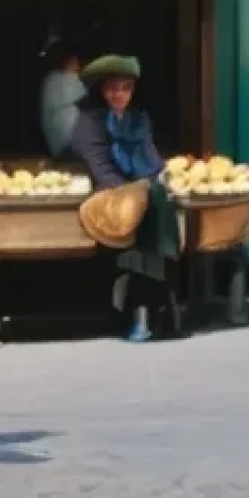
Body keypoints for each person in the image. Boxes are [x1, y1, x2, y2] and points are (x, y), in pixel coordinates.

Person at [70, 55, 179, 343]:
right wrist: (132, 194)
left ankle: (147, 310)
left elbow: (151, 159)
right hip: (109, 198)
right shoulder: (90, 122)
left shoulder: (138, 119)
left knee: (157, 208)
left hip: (144, 193)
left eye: (126, 88)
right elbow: (100, 166)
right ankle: (142, 312)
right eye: (112, 88)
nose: (119, 95)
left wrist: (158, 180)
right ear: (101, 91)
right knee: (142, 218)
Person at [39, 40, 85, 160]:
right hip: (68, 145)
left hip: (56, 145)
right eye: (75, 62)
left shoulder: (49, 80)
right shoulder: (71, 80)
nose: (79, 66)